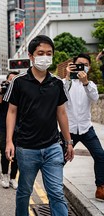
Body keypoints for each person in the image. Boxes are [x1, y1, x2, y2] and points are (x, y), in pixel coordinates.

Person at [4, 35, 74, 216]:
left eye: (49, 53)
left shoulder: (57, 83)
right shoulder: (18, 82)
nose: (45, 57)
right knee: (24, 193)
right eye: (40, 53)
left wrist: (69, 141)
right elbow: (11, 112)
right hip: (26, 149)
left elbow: (62, 113)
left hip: (52, 147)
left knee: (57, 193)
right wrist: (9, 142)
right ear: (31, 55)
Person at [62, 53, 104, 201]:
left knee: (100, 156)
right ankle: (55, 188)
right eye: (79, 64)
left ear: (89, 68)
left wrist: (85, 83)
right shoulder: (65, 82)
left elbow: (94, 98)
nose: (82, 67)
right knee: (59, 160)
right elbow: (60, 95)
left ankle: (100, 188)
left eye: (85, 65)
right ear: (72, 65)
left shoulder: (90, 84)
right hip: (68, 130)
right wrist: (67, 76)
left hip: (86, 129)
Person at [0, 72, 19, 189]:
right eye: (10, 81)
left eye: (15, 81)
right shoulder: (1, 92)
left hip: (18, 128)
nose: (12, 83)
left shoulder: (21, 93)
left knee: (17, 154)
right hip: (3, 127)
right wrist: (1, 95)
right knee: (5, 152)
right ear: (6, 81)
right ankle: (5, 176)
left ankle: (13, 177)